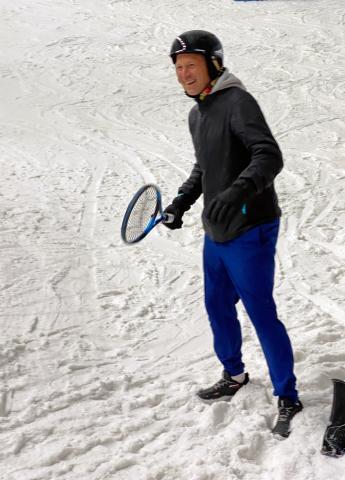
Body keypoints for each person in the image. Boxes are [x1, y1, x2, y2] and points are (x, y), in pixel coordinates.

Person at [164, 30, 302, 436]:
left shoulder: (237, 102)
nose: (184, 74)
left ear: (214, 63)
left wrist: (240, 189)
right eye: (178, 68)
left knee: (261, 312)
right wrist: (181, 202)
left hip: (250, 227)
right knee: (217, 306)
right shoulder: (198, 112)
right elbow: (204, 167)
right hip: (216, 231)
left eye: (191, 65)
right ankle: (234, 374)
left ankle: (288, 395)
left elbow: (269, 154)